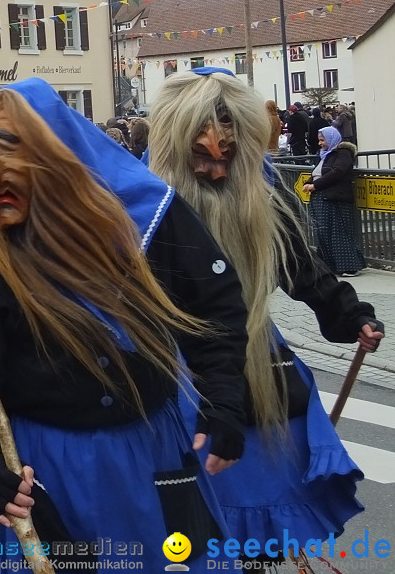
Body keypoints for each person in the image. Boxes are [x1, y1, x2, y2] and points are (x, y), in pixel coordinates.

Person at [0, 78, 250, 573]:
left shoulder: (148, 210)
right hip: (47, 465)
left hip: (148, 448)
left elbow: (216, 306)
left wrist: (227, 397)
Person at [148, 68, 382, 563]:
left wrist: (351, 315)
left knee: (255, 538)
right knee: (184, 534)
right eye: (201, 157)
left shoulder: (265, 197)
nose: (215, 172)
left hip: (257, 369)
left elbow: (305, 272)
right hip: (174, 377)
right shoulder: (142, 207)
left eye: (227, 157)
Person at [305, 126, 366, 278]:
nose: (320, 143)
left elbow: (337, 172)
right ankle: (329, 265)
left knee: (339, 232)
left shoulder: (343, 153)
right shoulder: (325, 155)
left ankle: (349, 266)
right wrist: (309, 182)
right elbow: (318, 173)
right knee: (324, 233)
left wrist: (315, 185)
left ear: (331, 138)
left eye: (322, 140)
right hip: (323, 197)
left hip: (335, 198)